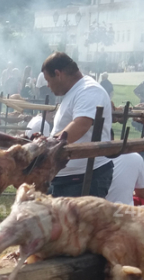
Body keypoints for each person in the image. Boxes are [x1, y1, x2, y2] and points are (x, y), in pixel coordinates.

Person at [41, 51, 113, 197]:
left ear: (58, 74)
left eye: (48, 80)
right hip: (67, 178)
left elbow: (81, 124)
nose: (48, 85)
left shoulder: (89, 90)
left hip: (84, 178)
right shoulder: (75, 91)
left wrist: (46, 146)